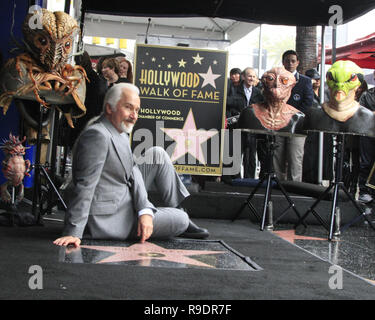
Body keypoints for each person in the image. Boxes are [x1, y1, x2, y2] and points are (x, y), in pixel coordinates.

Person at [54, 83, 209, 248]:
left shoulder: (118, 131)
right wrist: (73, 232)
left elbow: (134, 173)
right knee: (180, 219)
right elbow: (85, 185)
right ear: (109, 108)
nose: (134, 115)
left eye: (137, 110)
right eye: (128, 108)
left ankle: (172, 210)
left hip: (124, 196)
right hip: (110, 217)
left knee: (158, 154)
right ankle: (180, 216)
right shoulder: (97, 135)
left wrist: (144, 210)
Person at [272, 50, 313, 182]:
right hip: (279, 123)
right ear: (283, 62)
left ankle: (294, 186)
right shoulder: (276, 79)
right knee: (278, 156)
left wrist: (293, 115)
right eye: (287, 60)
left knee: (295, 157)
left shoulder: (305, 81)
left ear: (298, 63)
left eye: (293, 61)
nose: (290, 63)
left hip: (297, 125)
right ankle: (278, 184)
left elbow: (308, 102)